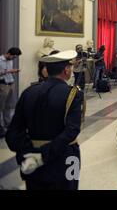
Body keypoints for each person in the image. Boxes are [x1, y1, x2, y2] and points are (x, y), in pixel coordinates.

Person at [6, 50, 83, 190]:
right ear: (66, 70)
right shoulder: (72, 94)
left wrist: (28, 153)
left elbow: (13, 132)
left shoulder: (28, 92)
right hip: (65, 157)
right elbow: (72, 130)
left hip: (32, 158)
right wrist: (43, 155)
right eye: (70, 67)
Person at [0, 47, 22, 138]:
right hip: (2, 85)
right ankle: (1, 127)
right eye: (13, 56)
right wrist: (9, 71)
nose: (14, 58)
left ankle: (8, 124)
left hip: (10, 84)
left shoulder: (10, 61)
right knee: (1, 107)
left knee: (9, 106)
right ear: (8, 53)